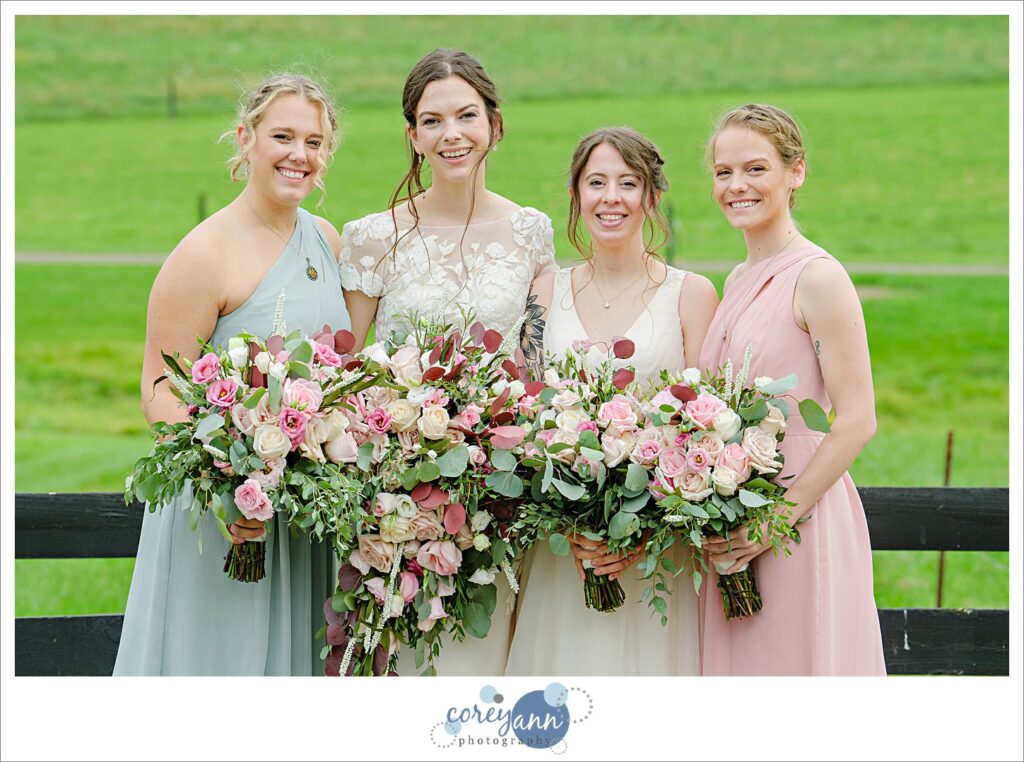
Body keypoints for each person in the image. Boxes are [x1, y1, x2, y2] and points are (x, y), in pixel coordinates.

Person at [114, 74, 350, 675]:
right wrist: (229, 484)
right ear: (245, 139)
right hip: (226, 523)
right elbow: (161, 389)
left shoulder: (326, 240)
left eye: (315, 142)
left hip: (300, 518)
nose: (300, 154)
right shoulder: (204, 253)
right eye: (282, 136)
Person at [339, 49, 555, 675]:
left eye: (466, 116)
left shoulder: (531, 232)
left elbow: (533, 369)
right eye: (432, 121)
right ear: (412, 135)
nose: (451, 134)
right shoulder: (373, 236)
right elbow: (346, 369)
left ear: (494, 124)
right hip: (393, 495)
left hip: (498, 489)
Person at [505, 127, 719, 676]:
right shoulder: (545, 293)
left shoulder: (691, 295)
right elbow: (522, 418)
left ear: (651, 196)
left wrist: (639, 527)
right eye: (596, 182)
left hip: (655, 553)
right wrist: (571, 521)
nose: (612, 197)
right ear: (577, 195)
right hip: (563, 549)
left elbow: (709, 431)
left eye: (629, 183)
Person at [699, 104, 886, 675]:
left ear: (795, 172)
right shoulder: (733, 280)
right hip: (732, 517)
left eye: (755, 169)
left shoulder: (819, 278)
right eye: (723, 172)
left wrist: (775, 519)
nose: (737, 186)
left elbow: (857, 418)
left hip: (796, 519)